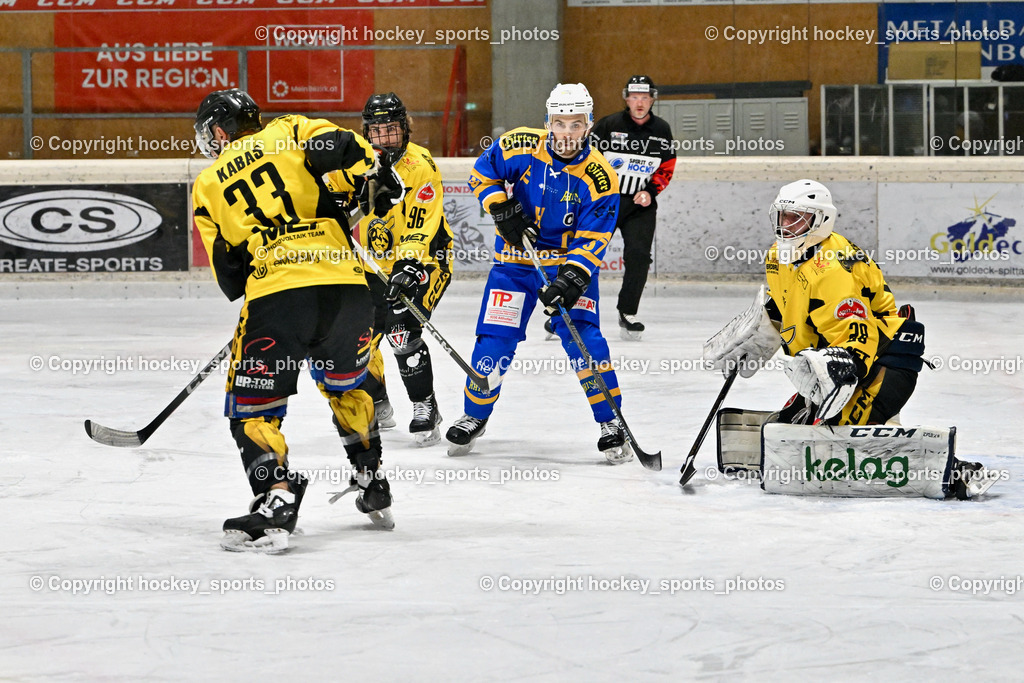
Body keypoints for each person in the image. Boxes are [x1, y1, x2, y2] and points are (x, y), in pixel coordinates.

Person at [191, 88, 405, 552]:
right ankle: (372, 481)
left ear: (221, 131)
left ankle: (277, 498)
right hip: (349, 290)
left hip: (277, 298)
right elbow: (347, 149)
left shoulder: (207, 185)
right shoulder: (288, 130)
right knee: (347, 386)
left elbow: (231, 276)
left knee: (252, 410)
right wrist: (376, 179)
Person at [704, 179, 993, 499]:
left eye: (795, 217)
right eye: (782, 216)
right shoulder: (778, 255)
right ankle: (878, 425)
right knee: (794, 428)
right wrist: (758, 336)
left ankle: (954, 470)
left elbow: (857, 335)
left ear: (821, 219)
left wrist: (844, 367)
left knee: (837, 439)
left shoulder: (832, 268)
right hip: (837, 358)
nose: (785, 225)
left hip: (882, 361)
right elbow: (784, 307)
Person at [445, 82, 633, 464]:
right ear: (548, 122)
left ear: (589, 124)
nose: (567, 133)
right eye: (560, 124)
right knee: (493, 342)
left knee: (585, 342)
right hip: (514, 265)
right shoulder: (518, 145)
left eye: (576, 124)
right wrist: (500, 209)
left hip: (565, 266)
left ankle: (611, 422)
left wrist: (570, 279)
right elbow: (483, 173)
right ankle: (474, 415)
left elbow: (594, 237)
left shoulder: (599, 177)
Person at [326, 92, 453, 447]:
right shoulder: (355, 163)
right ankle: (378, 400)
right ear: (367, 132)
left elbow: (420, 225)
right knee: (355, 337)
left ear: (405, 128)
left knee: (401, 332)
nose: (384, 138)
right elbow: (330, 194)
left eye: (391, 129)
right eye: (377, 131)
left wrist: (408, 264)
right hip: (371, 264)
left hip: (426, 260)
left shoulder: (420, 166)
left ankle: (424, 405)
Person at [590, 75, 676, 340]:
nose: (640, 102)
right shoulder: (608, 125)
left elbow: (666, 167)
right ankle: (565, 310)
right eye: (635, 97)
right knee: (585, 252)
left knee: (639, 257)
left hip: (640, 206)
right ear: (626, 98)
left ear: (652, 99)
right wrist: (597, 193)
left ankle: (627, 311)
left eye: (645, 97)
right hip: (605, 202)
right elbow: (587, 159)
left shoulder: (662, 130)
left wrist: (650, 192)